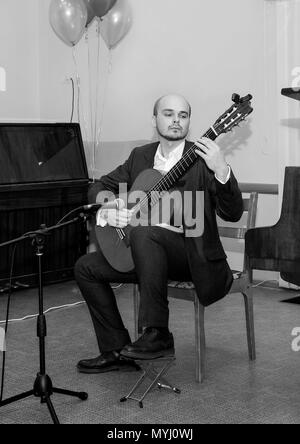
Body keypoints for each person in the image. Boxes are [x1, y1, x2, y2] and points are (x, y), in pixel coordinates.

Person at [74, 94, 244, 374]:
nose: (176, 119)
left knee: (146, 234)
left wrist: (222, 169)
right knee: (86, 267)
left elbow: (233, 212)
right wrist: (106, 209)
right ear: (154, 120)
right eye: (168, 113)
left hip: (191, 257)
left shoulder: (203, 159)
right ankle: (116, 351)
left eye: (183, 115)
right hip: (147, 255)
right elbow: (100, 185)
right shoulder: (140, 156)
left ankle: (158, 332)